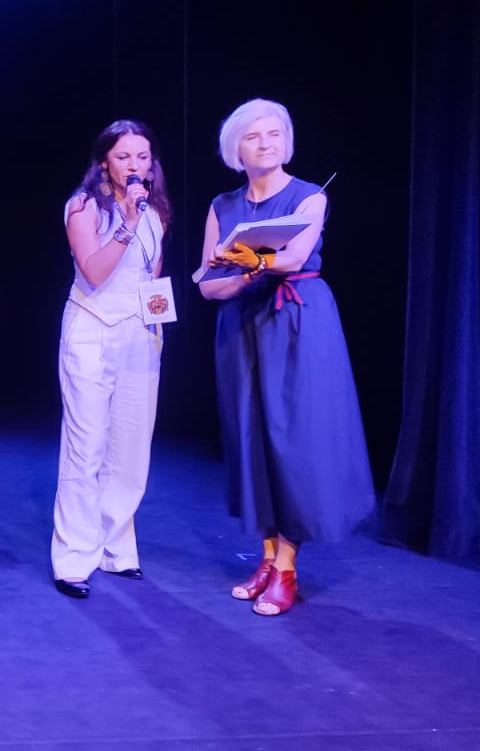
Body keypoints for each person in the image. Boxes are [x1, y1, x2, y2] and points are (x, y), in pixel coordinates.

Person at [199, 98, 375, 616]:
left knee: (293, 440)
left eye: (274, 133)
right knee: (251, 437)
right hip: (241, 325)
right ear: (236, 148)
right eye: (253, 136)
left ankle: (288, 568)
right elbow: (208, 285)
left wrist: (251, 260)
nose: (266, 143)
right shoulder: (222, 205)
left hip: (297, 320)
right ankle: (268, 557)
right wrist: (239, 276)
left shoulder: (310, 196)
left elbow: (295, 256)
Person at [51, 120, 171, 599]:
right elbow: (95, 272)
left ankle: (116, 548)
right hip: (91, 329)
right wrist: (127, 224)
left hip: (140, 334)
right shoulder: (84, 207)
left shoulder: (156, 211)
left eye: (142, 157)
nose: (134, 166)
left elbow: (151, 274)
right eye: (124, 157)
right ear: (105, 162)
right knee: (86, 445)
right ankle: (73, 557)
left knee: (131, 445)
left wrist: (158, 323)